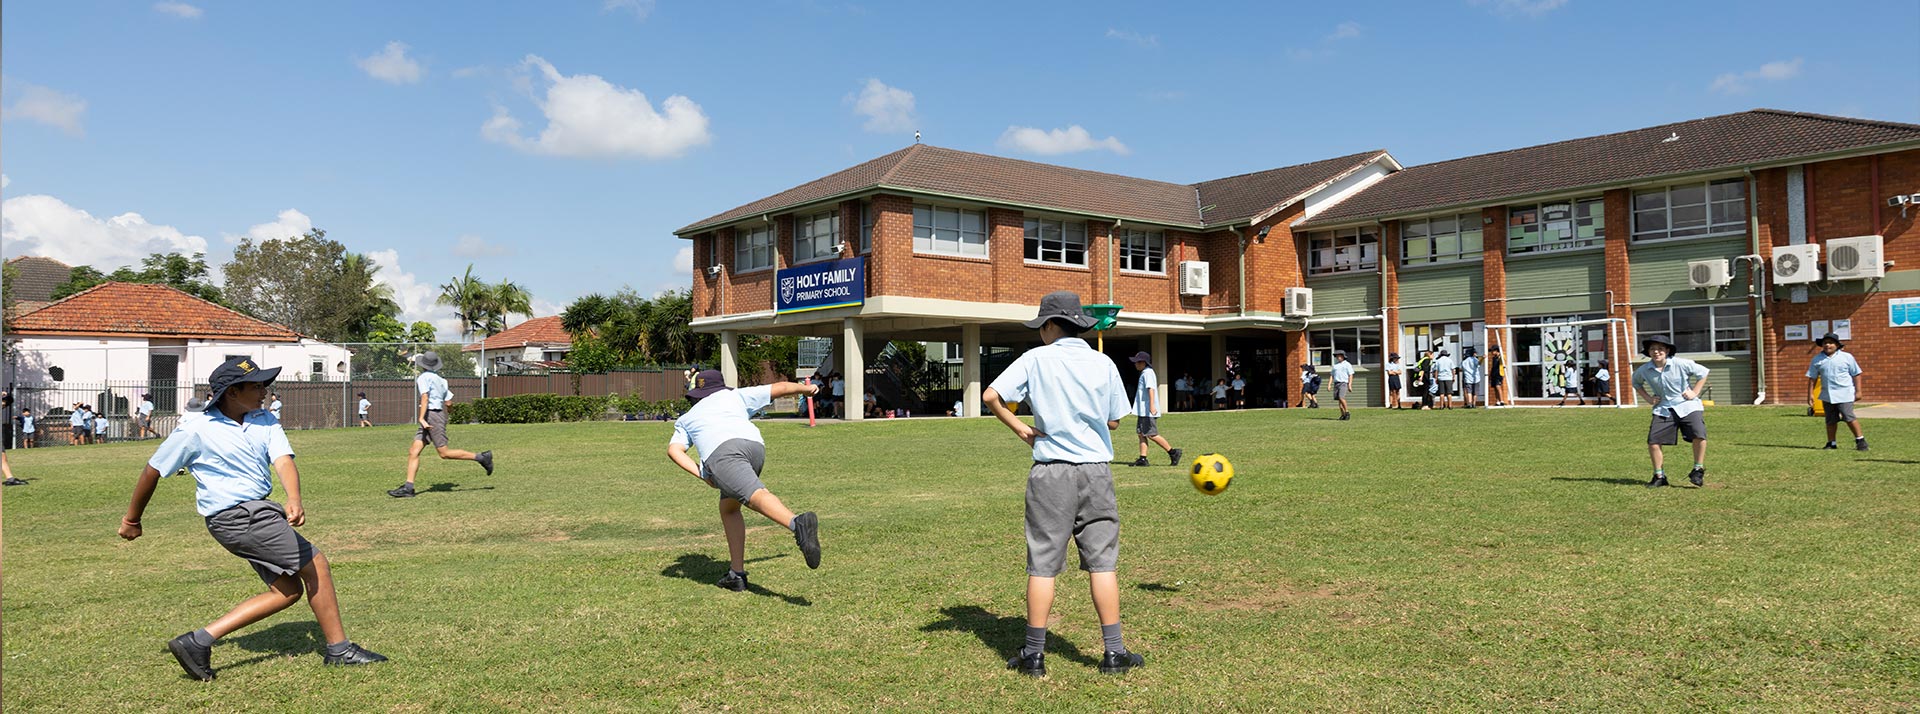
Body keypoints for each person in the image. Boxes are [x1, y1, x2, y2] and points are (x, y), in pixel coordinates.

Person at [119, 356, 388, 681]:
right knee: (317, 565)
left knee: (287, 590)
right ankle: (339, 649)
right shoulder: (196, 429)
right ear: (232, 392)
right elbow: (153, 470)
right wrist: (132, 520)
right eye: (256, 385)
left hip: (253, 514)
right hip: (238, 516)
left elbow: (283, 460)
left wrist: (294, 497)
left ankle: (197, 641)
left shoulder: (264, 420)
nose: (264, 390)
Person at [982, 291, 1143, 677]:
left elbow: (991, 396)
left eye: (1042, 327)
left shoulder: (1035, 359)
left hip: (1050, 471)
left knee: (1043, 564)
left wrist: (1023, 428)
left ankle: (1034, 656)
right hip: (1095, 470)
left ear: (1051, 325)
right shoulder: (1102, 362)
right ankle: (1114, 653)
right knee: (1103, 563)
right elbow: (1116, 421)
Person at [666, 369, 824, 592]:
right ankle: (736, 574)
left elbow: (674, 450)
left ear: (697, 395)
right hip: (754, 447)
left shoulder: (687, 418)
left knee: (754, 494)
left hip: (722, 454)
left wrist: (702, 474)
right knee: (729, 508)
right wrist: (807, 389)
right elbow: (780, 388)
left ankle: (797, 523)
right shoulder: (735, 396)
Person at [388, 352, 494, 498]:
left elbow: (425, 397)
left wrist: (421, 418)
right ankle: (408, 488)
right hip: (435, 415)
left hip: (430, 416)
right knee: (414, 451)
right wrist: (447, 412)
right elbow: (449, 402)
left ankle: (482, 458)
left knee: (444, 453)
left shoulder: (423, 378)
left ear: (422, 365)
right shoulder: (441, 380)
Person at [1630, 335, 1711, 488]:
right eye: (1653, 349)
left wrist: (1694, 392)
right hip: (1663, 408)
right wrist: (1648, 398)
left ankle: (1697, 470)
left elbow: (1703, 372)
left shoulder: (1681, 364)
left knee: (1699, 434)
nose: (1656, 352)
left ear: (1667, 351)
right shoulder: (1644, 370)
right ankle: (1659, 476)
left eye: (1660, 349)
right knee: (1653, 441)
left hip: (1688, 405)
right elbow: (1636, 383)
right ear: (1648, 352)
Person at [1806, 332, 1869, 451]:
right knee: (1830, 420)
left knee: (1848, 416)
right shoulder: (1817, 359)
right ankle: (1831, 442)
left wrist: (1858, 391)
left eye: (1830, 343)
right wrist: (1810, 395)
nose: (1827, 345)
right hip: (1827, 394)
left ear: (1837, 345)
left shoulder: (1847, 357)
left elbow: (1856, 374)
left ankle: (1860, 440)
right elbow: (1812, 377)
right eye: (1825, 343)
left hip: (1844, 393)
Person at [1126, 351, 1182, 467]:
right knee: (1141, 434)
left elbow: (1151, 389)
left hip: (1147, 410)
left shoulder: (1148, 373)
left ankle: (1173, 452)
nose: (1135, 364)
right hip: (1142, 410)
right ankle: (1143, 458)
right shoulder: (1144, 373)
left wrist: (1152, 406)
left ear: (1143, 362)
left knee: (1151, 434)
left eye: (1137, 362)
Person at [1330, 350, 1355, 421]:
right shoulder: (1335, 366)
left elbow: (1351, 375)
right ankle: (1342, 414)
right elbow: (1332, 375)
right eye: (1337, 356)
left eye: (1340, 356)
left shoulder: (1347, 364)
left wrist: (1349, 385)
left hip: (1343, 383)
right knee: (1339, 401)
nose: (1338, 357)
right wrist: (1329, 384)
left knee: (1341, 397)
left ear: (1343, 356)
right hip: (1336, 383)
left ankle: (1347, 412)